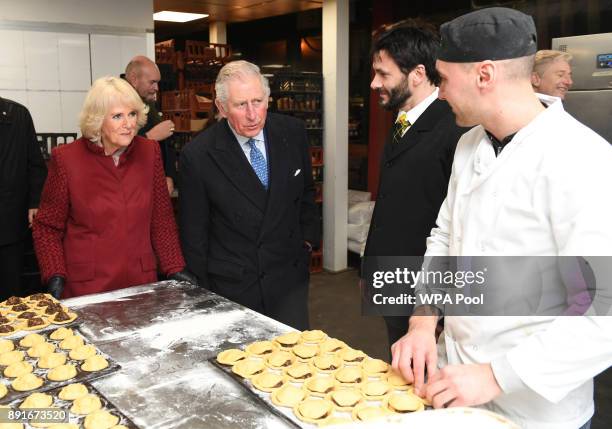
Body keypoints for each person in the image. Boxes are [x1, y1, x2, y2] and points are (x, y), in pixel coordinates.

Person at [391, 7, 612, 429]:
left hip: (537, 410)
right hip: (453, 384)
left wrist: (496, 375)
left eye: (444, 78)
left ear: (484, 75)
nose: (439, 93)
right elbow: (445, 237)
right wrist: (423, 320)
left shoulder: (583, 160)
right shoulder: (469, 144)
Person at [179, 60, 319, 330]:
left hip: (289, 278)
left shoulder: (292, 132)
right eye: (241, 105)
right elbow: (194, 234)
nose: (253, 114)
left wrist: (307, 242)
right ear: (221, 107)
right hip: (234, 286)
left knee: (295, 360)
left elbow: (305, 193)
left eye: (258, 101)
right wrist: (206, 295)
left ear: (268, 98)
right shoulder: (198, 156)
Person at [33, 76, 194, 299]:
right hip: (87, 287)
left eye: (132, 114)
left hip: (141, 285)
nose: (128, 124)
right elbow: (47, 227)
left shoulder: (150, 152)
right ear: (97, 120)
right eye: (118, 116)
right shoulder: (66, 159)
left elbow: (161, 219)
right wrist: (54, 273)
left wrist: (174, 266)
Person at [364, 20, 468, 349]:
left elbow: (454, 224)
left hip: (428, 292)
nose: (373, 83)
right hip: (392, 279)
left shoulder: (455, 128)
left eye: (383, 74)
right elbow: (393, 203)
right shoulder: (402, 120)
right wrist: (370, 269)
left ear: (418, 74)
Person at [0, 97, 47, 300]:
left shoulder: (17, 115)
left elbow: (35, 163)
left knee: (10, 295)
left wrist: (35, 201)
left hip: (10, 223)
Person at [124, 55, 177, 195]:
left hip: (154, 185)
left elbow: (167, 143)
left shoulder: (149, 102)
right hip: (130, 188)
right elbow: (114, 149)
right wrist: (150, 137)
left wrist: (169, 176)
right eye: (152, 82)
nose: (156, 88)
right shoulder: (116, 105)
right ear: (134, 80)